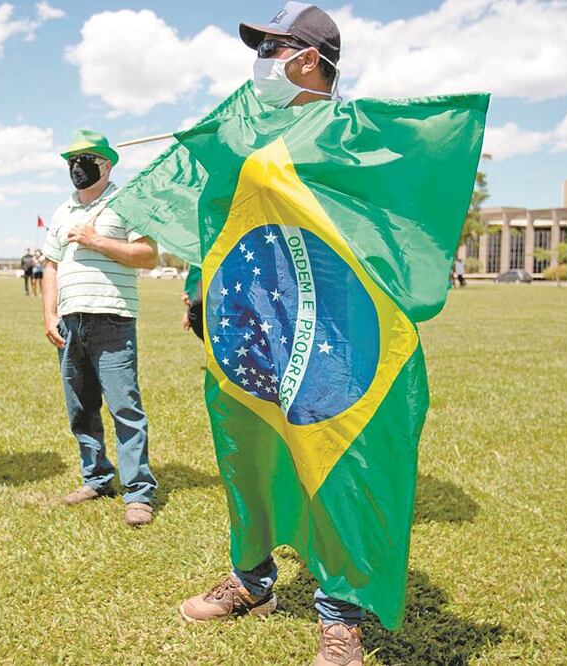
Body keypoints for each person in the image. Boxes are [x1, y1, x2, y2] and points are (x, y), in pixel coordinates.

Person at [177, 5, 367, 665]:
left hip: (325, 335)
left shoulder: (348, 136)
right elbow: (219, 215)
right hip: (246, 334)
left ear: (307, 57)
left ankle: (340, 614)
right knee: (244, 456)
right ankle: (252, 581)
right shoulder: (247, 136)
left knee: (331, 467)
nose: (260, 60)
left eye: (270, 48)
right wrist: (196, 290)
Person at [42, 129, 159, 527]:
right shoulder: (61, 212)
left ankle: (138, 492)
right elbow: (51, 266)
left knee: (124, 406)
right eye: (72, 160)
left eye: (87, 158)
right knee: (80, 407)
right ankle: (96, 478)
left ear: (106, 164)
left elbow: (147, 255)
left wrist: (96, 241)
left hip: (111, 317)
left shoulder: (127, 203)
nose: (77, 166)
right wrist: (48, 314)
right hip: (69, 321)